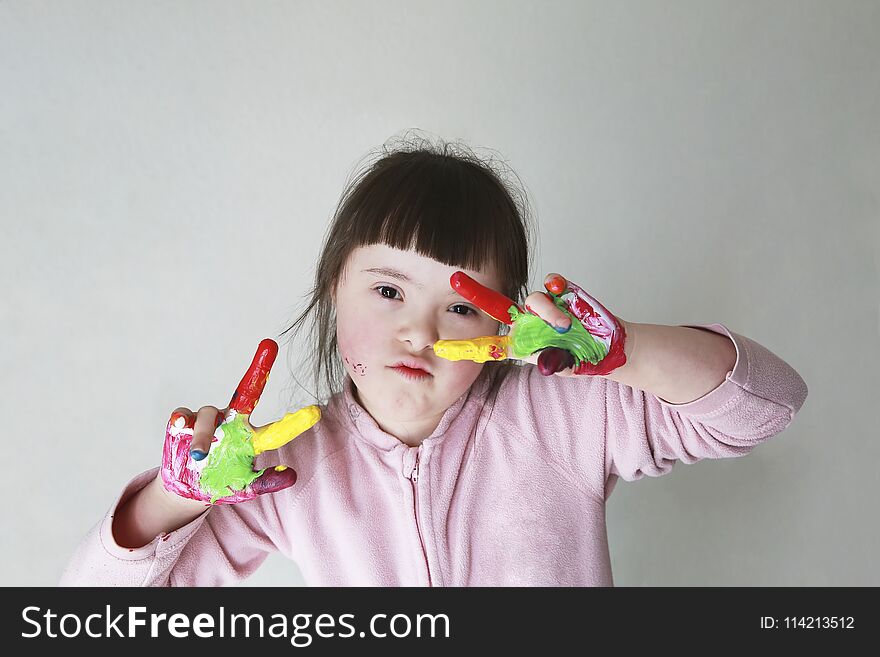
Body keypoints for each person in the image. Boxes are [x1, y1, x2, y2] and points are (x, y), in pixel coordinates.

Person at [59, 133, 808, 586]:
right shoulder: (286, 467)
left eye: (460, 305)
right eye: (388, 289)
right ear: (333, 289)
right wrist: (175, 497)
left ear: (506, 320)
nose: (419, 331)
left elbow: (769, 406)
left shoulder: (561, 415)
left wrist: (627, 352)